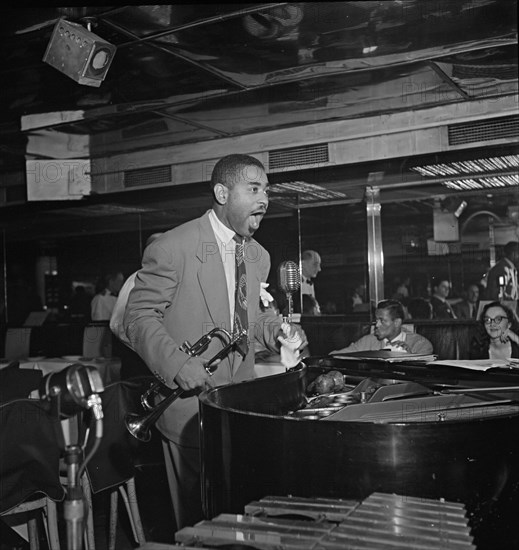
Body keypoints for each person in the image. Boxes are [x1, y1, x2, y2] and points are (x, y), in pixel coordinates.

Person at [123, 154, 305, 530]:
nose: (265, 199)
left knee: (238, 518)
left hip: (241, 408)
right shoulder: (174, 246)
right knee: (195, 523)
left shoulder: (258, 255)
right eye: (254, 189)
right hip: (190, 412)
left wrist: (277, 331)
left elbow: (249, 320)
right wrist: (176, 364)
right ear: (222, 192)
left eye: (266, 190)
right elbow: (137, 318)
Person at [110, 233, 163, 379]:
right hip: (140, 362)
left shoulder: (168, 278)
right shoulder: (136, 279)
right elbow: (117, 323)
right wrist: (146, 349)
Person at [330, 299, 433, 355]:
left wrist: (410, 357)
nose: (377, 325)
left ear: (397, 322)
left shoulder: (420, 344)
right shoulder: (368, 341)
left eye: (382, 321)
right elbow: (334, 356)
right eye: (376, 320)